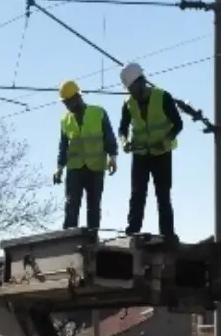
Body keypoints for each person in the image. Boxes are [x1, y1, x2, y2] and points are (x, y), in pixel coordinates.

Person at [117, 62, 186, 238]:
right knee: (137, 194)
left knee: (163, 194)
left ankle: (167, 233)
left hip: (161, 153)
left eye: (132, 88)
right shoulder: (128, 104)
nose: (131, 93)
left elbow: (178, 124)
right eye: (129, 90)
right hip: (140, 154)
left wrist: (165, 141)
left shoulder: (163, 97)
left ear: (141, 82)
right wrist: (124, 142)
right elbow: (122, 129)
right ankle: (132, 231)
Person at [53, 79, 119, 231]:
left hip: (95, 167)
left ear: (78, 97)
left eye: (69, 102)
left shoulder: (98, 113)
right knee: (71, 205)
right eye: (65, 103)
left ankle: (92, 239)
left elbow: (109, 137)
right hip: (74, 168)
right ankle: (69, 239)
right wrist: (59, 168)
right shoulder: (65, 120)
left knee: (94, 206)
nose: (67, 106)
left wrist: (113, 158)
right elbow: (63, 146)